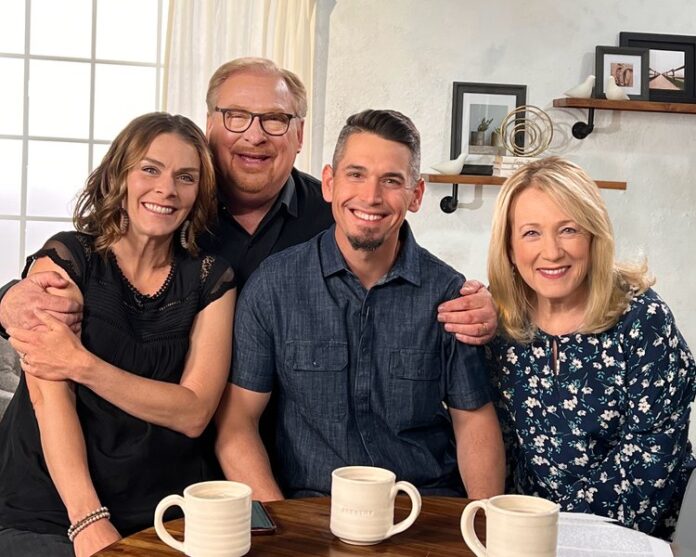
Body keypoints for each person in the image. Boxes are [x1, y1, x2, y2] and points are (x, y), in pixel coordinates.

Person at [0, 57, 497, 347]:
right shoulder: (164, 207)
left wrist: (477, 308)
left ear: (299, 134)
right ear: (209, 123)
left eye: (275, 120)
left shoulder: (339, 213)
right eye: (236, 115)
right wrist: (10, 297)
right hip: (173, 438)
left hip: (291, 447)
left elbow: (403, 277)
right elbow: (88, 255)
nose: (254, 135)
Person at [215, 109, 505, 501]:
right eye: (356, 174)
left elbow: (473, 421)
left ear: (416, 196)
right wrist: (279, 528)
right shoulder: (274, 286)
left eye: (391, 181)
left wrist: (481, 524)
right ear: (330, 183)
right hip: (314, 512)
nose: (371, 196)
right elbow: (236, 425)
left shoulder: (450, 295)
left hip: (427, 506)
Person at [0, 113, 237, 557]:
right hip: (52, 506)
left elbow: (194, 412)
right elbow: (49, 398)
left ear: (199, 193)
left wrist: (84, 364)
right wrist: (88, 520)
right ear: (120, 175)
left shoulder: (212, 279)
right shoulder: (67, 257)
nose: (166, 189)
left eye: (185, 177)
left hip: (164, 507)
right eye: (150, 169)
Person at [486, 156, 696, 539]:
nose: (552, 252)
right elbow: (496, 443)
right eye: (531, 233)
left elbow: (653, 461)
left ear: (594, 236)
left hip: (630, 533)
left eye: (568, 229)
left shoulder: (644, 321)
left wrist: (563, 532)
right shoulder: (499, 323)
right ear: (510, 247)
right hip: (524, 528)